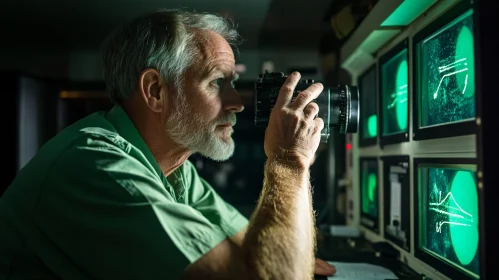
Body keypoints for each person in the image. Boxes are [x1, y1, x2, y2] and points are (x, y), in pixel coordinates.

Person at [0, 9, 336, 279]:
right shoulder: (94, 166)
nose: (237, 103)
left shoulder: (174, 170)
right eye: (218, 82)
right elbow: (273, 274)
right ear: (156, 91)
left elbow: (260, 250)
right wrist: (288, 160)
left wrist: (283, 254)